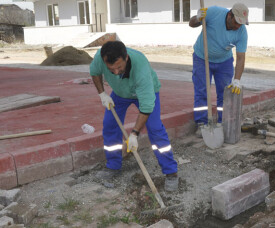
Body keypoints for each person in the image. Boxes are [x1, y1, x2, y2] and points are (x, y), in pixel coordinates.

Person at [90, 41, 178, 191]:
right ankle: (113, 166)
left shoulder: (140, 68)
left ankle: (171, 172)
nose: (116, 72)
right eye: (111, 69)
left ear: (126, 58)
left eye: (119, 67)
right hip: (119, 94)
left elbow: (147, 106)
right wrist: (102, 94)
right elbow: (95, 72)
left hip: (144, 93)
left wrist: (134, 134)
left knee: (155, 128)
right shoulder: (100, 57)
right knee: (110, 125)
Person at [189, 3, 249, 135]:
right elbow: (191, 23)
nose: (238, 26)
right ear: (229, 15)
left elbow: (240, 58)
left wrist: (237, 80)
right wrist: (198, 18)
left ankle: (223, 123)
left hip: (224, 62)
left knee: (225, 94)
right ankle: (201, 124)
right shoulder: (214, 12)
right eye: (236, 22)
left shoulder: (242, 32)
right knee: (202, 91)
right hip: (202, 58)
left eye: (241, 23)